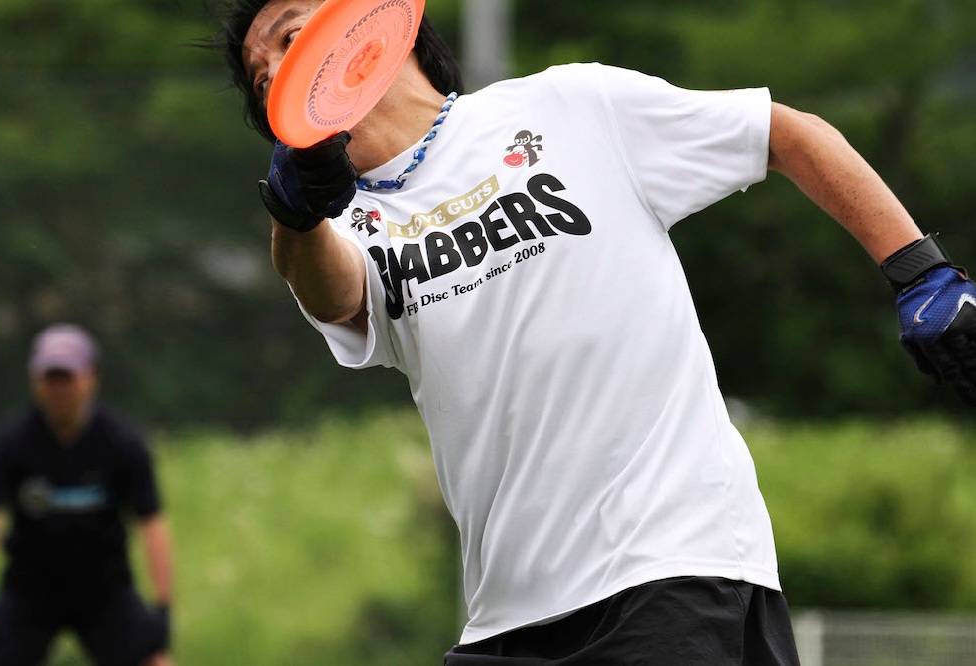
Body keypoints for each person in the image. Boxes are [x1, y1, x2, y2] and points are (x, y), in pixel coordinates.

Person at [221, 1, 976, 663]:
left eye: (290, 37)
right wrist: (295, 214)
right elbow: (332, 295)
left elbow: (785, 134)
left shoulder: (569, 106)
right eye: (261, 80)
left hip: (671, 570)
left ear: (372, 24)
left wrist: (921, 271)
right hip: (507, 621)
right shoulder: (342, 227)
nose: (278, 73)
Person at [0, 324, 173, 666]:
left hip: (105, 590)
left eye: (68, 378)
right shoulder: (10, 443)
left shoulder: (123, 443)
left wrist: (163, 609)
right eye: (51, 378)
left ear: (91, 378)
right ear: (35, 381)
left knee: (155, 661)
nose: (59, 389)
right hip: (30, 589)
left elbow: (152, 524)